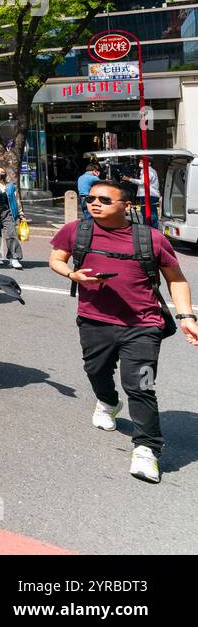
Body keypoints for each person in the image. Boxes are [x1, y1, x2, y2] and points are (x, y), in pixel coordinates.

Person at [49, 178, 198, 484]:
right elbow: (56, 258)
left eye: (104, 200)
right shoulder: (76, 231)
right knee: (96, 370)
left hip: (143, 325)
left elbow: (177, 279)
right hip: (93, 320)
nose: (94, 204)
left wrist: (186, 316)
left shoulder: (151, 239)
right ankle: (107, 401)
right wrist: (72, 274)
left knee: (141, 385)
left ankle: (146, 448)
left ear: (126, 206)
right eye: (90, 198)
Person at [0, 166, 25, 269]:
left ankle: (14, 258)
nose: (0, 173)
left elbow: (16, 201)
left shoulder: (10, 186)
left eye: (2, 172)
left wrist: (20, 214)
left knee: (11, 234)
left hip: (8, 212)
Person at [134, 159, 161, 229]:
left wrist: (129, 179)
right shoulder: (145, 171)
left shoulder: (149, 171)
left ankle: (152, 229)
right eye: (139, 161)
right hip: (146, 194)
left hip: (150, 195)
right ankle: (147, 228)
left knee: (150, 213)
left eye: (141, 162)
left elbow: (143, 182)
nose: (139, 163)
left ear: (149, 163)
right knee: (144, 212)